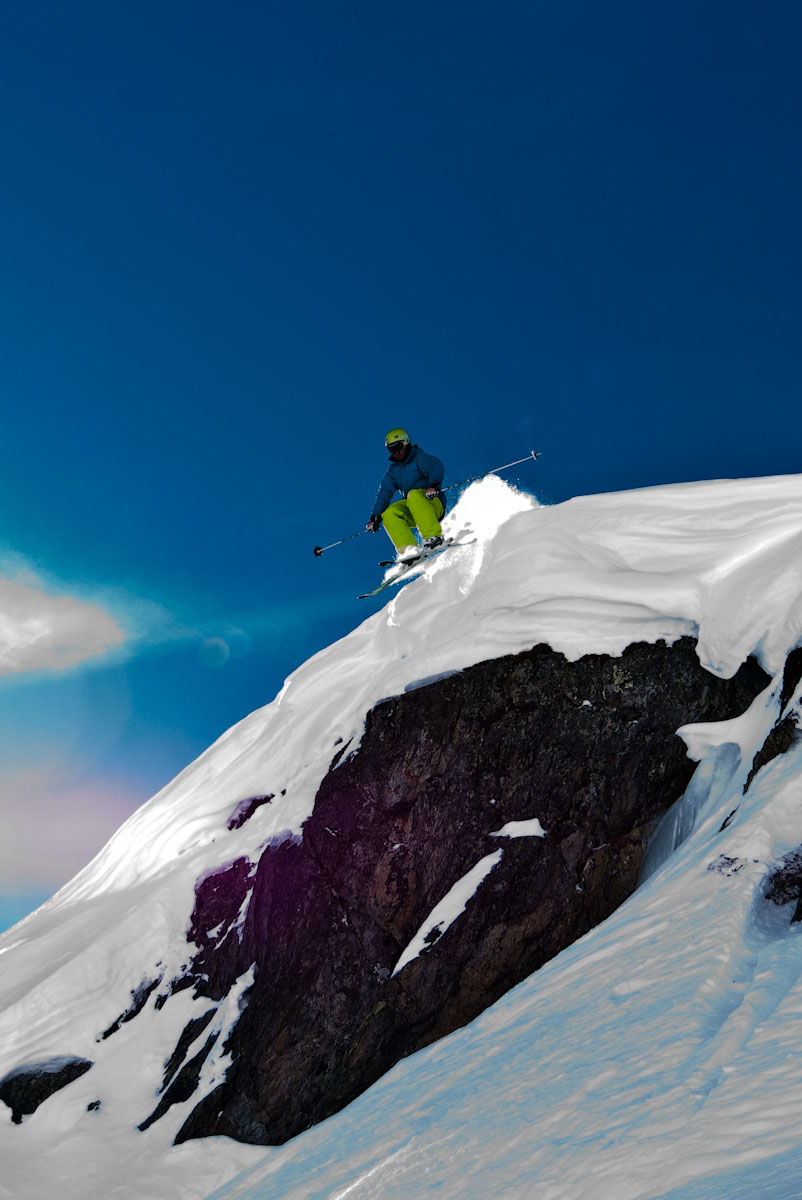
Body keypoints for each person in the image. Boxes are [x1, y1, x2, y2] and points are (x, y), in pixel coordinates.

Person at [366, 428, 446, 560]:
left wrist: (434, 485)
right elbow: (384, 492)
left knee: (413, 494)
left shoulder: (418, 458)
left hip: (432, 503)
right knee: (389, 513)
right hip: (415, 509)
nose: (396, 452)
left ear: (407, 443)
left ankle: (434, 538)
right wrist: (375, 517)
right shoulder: (393, 471)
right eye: (392, 449)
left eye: (398, 447)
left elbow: (435, 466)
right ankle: (409, 552)